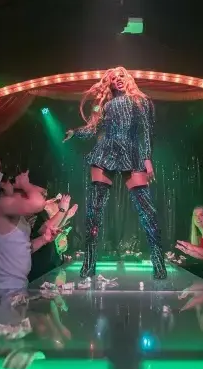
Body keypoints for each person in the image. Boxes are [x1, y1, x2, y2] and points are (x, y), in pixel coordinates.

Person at [63, 67, 166, 279]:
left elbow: (146, 131)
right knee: (94, 212)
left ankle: (159, 264)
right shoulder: (104, 105)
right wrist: (75, 132)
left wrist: (147, 159)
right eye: (112, 78)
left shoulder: (140, 100)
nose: (117, 80)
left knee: (148, 212)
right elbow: (92, 129)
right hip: (105, 152)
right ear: (108, 83)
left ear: (127, 78)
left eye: (121, 76)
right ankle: (89, 265)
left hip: (131, 152)